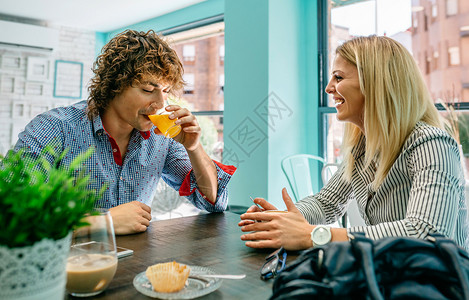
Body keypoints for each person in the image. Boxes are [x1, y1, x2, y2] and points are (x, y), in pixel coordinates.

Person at [238, 35, 468, 250]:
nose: (329, 88)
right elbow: (326, 202)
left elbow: (426, 233)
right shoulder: (362, 147)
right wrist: (280, 219)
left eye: (338, 77)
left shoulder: (431, 144)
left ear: (376, 84)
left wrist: (314, 235)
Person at [14, 29, 236, 235]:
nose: (160, 103)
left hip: (137, 268)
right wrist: (103, 221)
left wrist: (194, 147)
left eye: (166, 91)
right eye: (148, 89)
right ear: (114, 86)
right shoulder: (54, 128)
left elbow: (212, 201)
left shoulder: (162, 139)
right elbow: (14, 215)